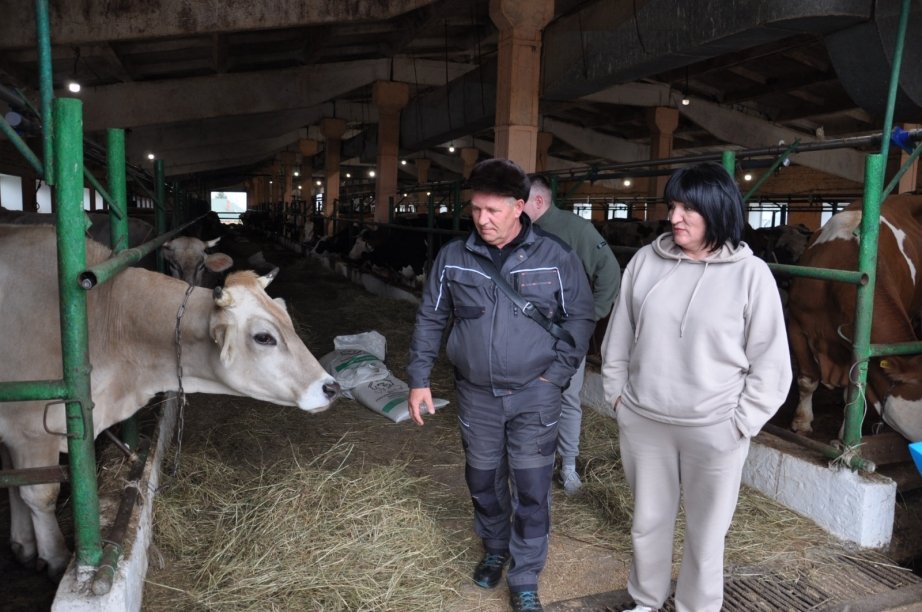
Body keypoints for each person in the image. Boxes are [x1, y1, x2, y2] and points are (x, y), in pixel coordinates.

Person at [600, 162, 792, 612]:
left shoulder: (752, 274)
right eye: (672, 206)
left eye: (688, 208)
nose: (674, 217)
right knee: (648, 522)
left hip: (715, 427)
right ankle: (646, 600)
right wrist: (618, 397)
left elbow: (772, 363)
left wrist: (740, 423)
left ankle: (696, 607)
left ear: (718, 212)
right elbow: (618, 336)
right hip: (645, 421)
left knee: (707, 532)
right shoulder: (647, 261)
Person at [407, 158, 595, 612]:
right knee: (482, 479)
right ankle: (495, 548)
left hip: (536, 393)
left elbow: (581, 318)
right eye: (475, 209)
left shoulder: (556, 257)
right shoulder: (454, 258)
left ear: (519, 206)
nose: (482, 219)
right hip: (477, 395)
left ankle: (526, 573)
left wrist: (556, 377)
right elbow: (431, 317)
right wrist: (418, 379)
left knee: (531, 486)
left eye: (493, 210)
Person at [524, 174, 621, 494]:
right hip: (526, 333)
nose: (514, 208)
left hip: (565, 334)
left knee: (567, 397)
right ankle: (533, 460)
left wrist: (591, 315)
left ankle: (568, 465)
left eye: (519, 202)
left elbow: (609, 269)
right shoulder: (517, 230)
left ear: (538, 201)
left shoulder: (576, 229)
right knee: (526, 395)